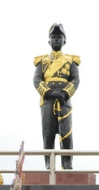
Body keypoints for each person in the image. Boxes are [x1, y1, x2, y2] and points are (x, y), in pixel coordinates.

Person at [33, 23, 80, 170]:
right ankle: (49, 167)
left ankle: (67, 166)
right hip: (47, 101)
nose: (56, 39)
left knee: (66, 135)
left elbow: (75, 80)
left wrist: (65, 93)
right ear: (49, 41)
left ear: (64, 41)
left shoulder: (71, 61)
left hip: (64, 101)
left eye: (59, 37)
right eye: (53, 37)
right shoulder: (42, 61)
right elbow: (37, 80)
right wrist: (48, 92)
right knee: (48, 134)